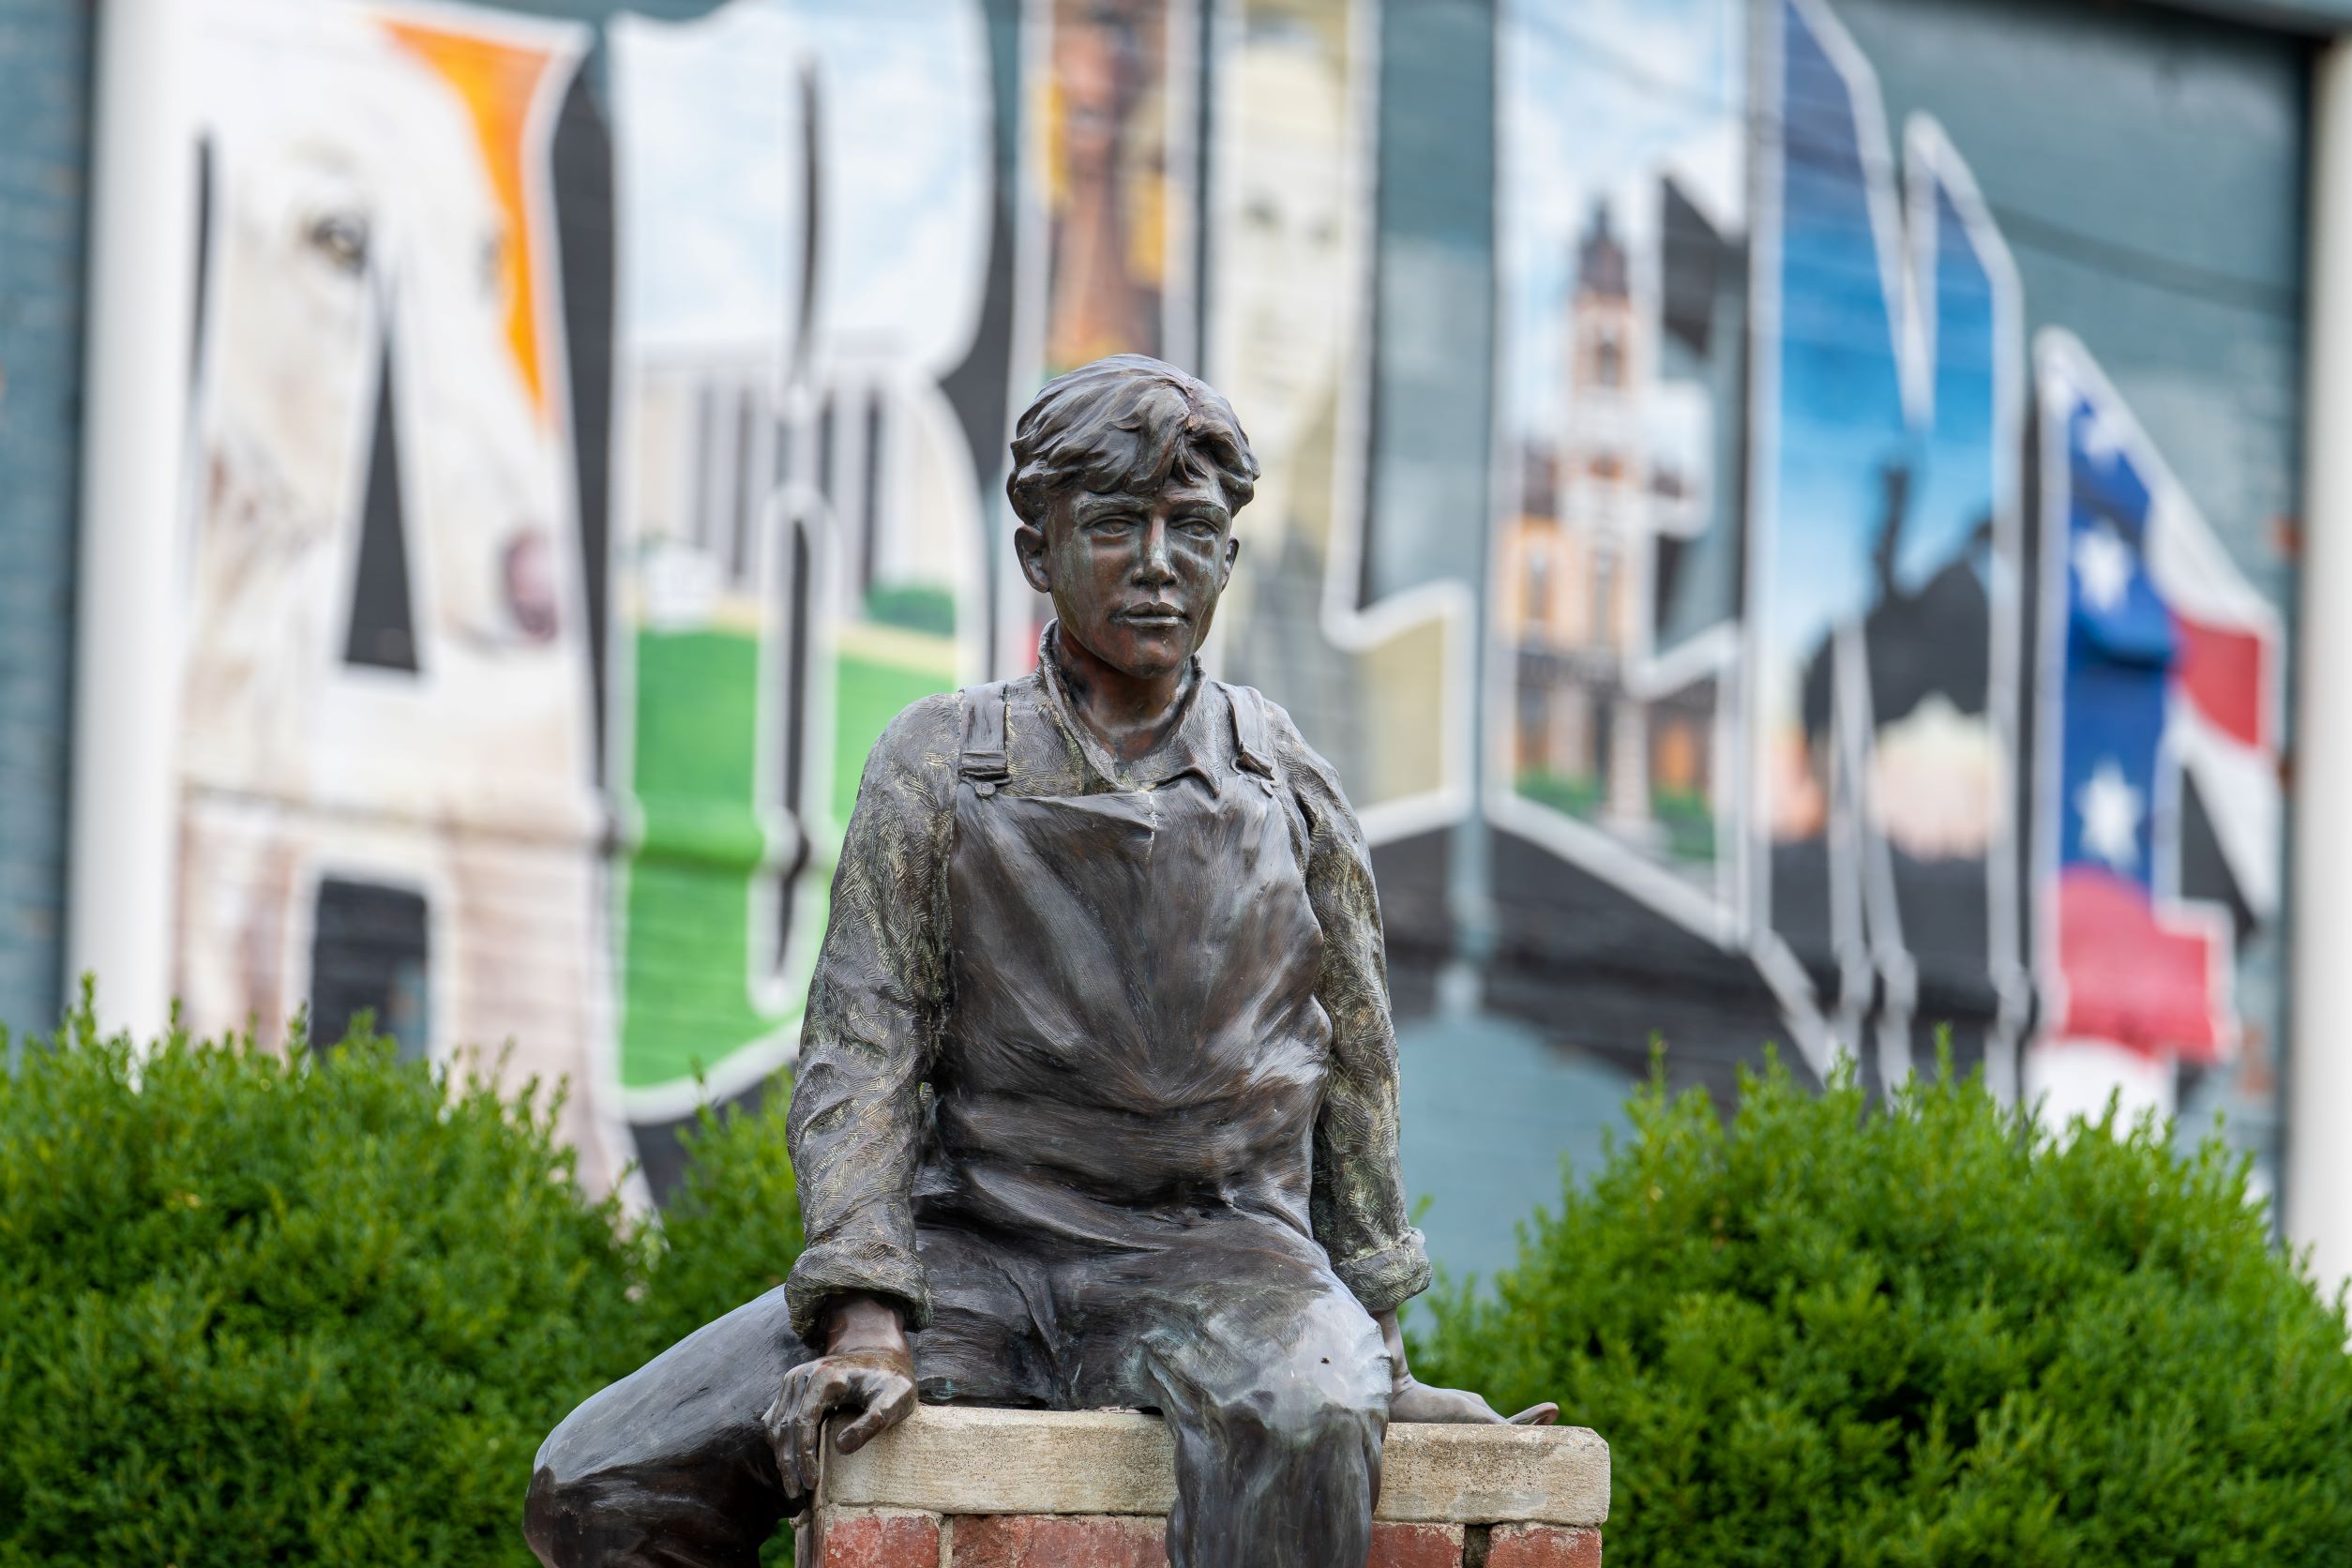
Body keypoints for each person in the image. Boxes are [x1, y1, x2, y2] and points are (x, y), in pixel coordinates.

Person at [524, 354, 1553, 1568]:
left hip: (1227, 1265)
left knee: (1301, 1413)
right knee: (597, 1482)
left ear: (1228, 556)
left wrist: (1373, 1348)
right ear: (1037, 552)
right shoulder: (937, 764)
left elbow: (1358, 1065)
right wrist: (867, 1316)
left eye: (1192, 530)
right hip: (979, 1258)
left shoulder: (1288, 786)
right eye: (1115, 526)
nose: (1159, 563)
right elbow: (863, 1049)